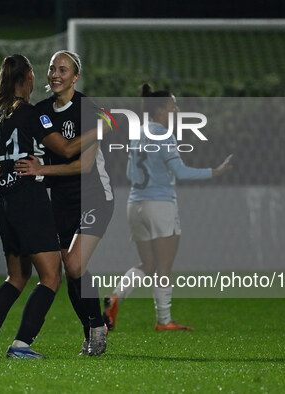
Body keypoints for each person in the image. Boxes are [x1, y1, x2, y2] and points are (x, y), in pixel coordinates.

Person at [0, 54, 101, 359]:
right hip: (29, 201)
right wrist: (100, 129)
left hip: (5, 201)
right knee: (52, 276)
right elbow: (64, 148)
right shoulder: (32, 114)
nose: (48, 75)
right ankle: (22, 345)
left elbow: (14, 158)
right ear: (28, 76)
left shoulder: (4, 115)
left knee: (16, 277)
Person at [102, 83, 233, 331]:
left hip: (135, 204)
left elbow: (130, 172)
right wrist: (214, 172)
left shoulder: (138, 133)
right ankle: (164, 321)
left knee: (148, 264)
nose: (176, 110)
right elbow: (180, 171)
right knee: (163, 266)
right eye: (173, 105)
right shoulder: (164, 135)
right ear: (161, 110)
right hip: (160, 205)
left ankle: (116, 296)